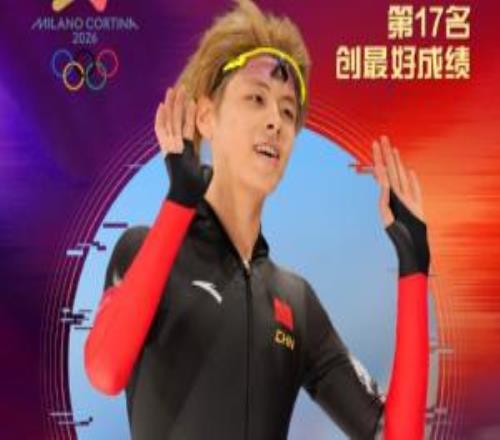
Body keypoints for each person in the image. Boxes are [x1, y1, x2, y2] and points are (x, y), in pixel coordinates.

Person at [84, 1, 431, 439]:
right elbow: (105, 371)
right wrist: (180, 201)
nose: (276, 122)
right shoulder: (144, 250)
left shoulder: (296, 303)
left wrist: (414, 264)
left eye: (288, 111)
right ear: (206, 116)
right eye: (256, 98)